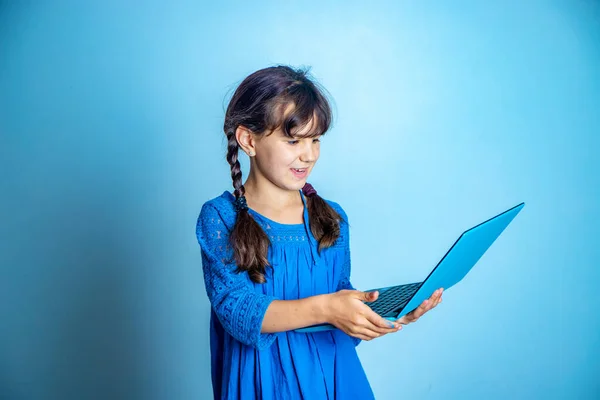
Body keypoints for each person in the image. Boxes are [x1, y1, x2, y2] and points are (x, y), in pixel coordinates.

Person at [196, 65, 443, 399]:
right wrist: (327, 308)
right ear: (248, 139)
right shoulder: (220, 217)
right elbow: (237, 310)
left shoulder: (331, 217)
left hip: (335, 378)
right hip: (265, 383)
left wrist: (383, 312)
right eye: (293, 140)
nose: (309, 154)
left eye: (315, 139)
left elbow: (340, 293)